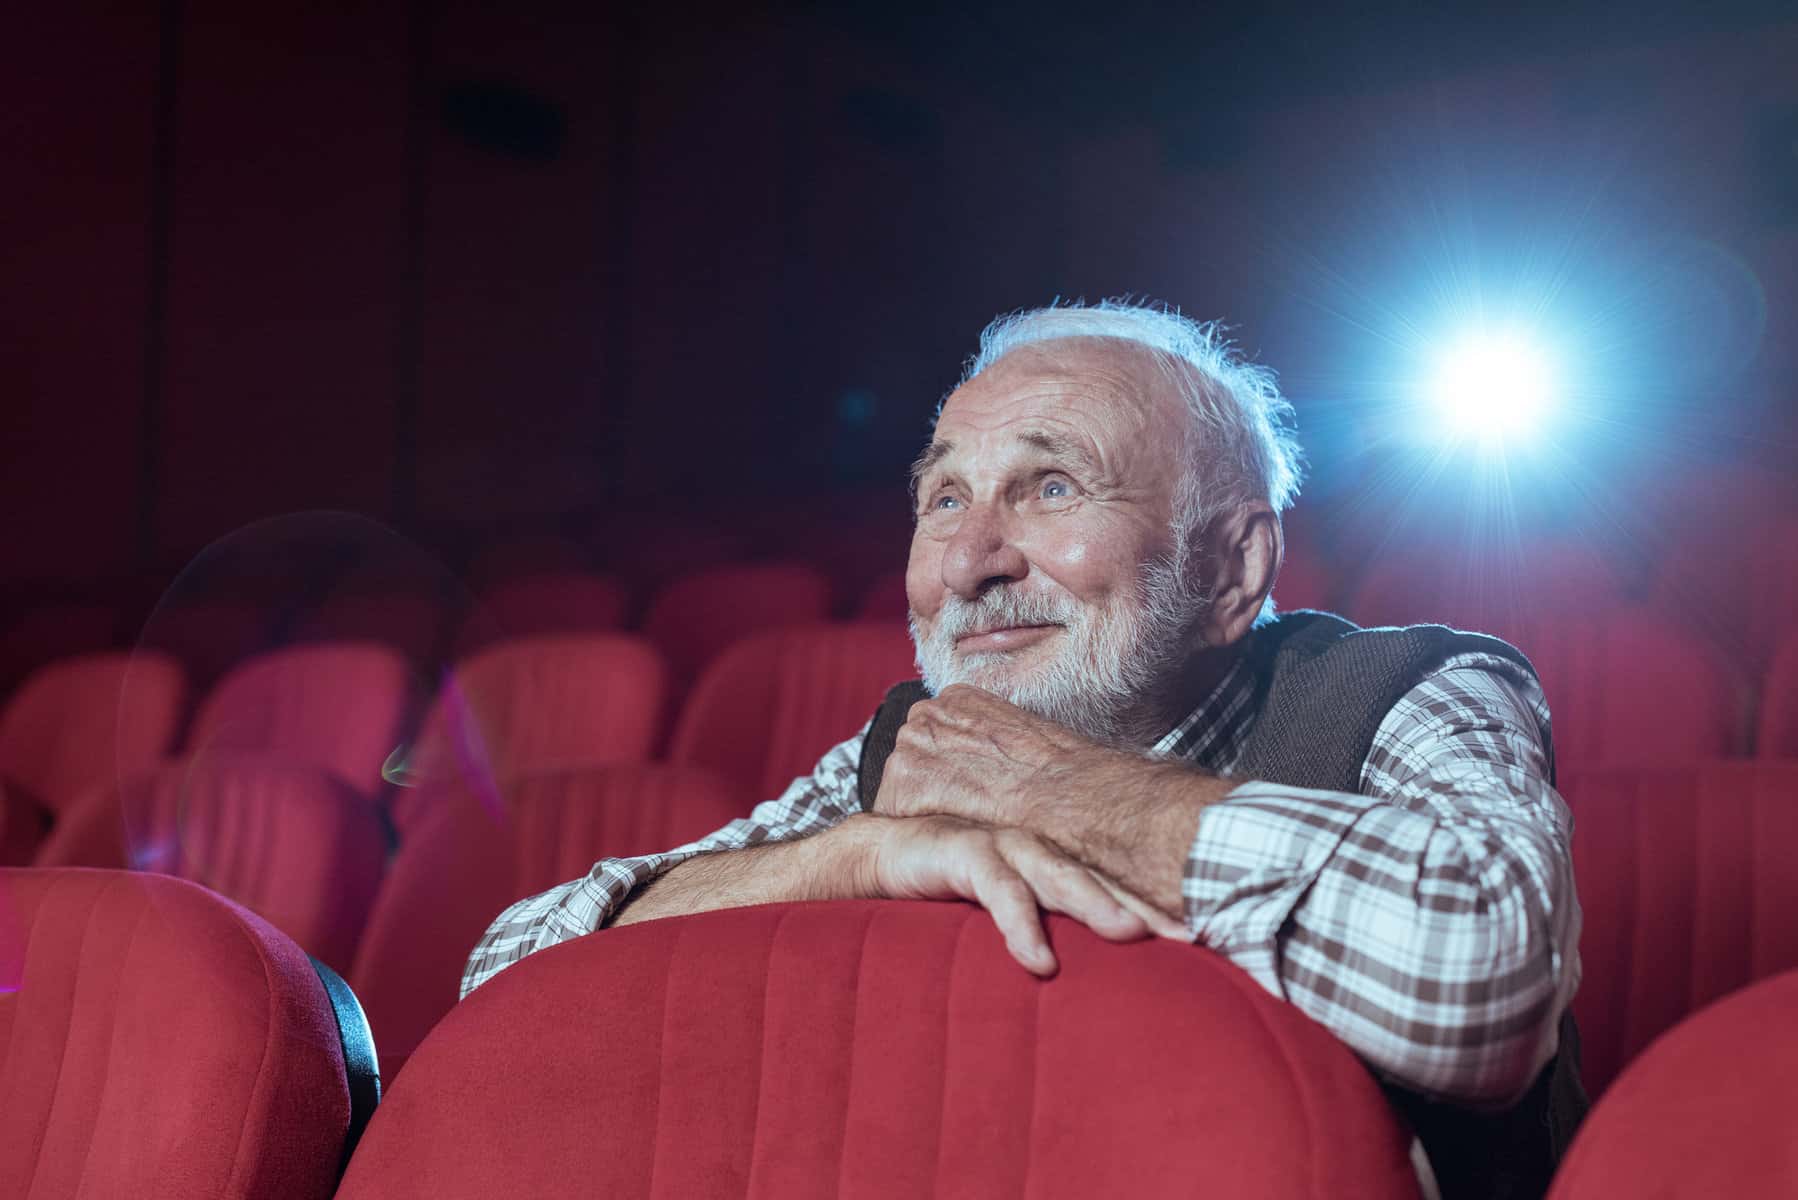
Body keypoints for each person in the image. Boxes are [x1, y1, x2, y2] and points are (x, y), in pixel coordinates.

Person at [462, 301, 1584, 1198]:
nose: (969, 563)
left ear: (1235, 569)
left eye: (1051, 486)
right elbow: (508, 984)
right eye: (944, 498)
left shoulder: (1415, 690)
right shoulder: (908, 752)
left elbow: (1483, 985)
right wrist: (831, 862)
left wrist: (1050, 790)